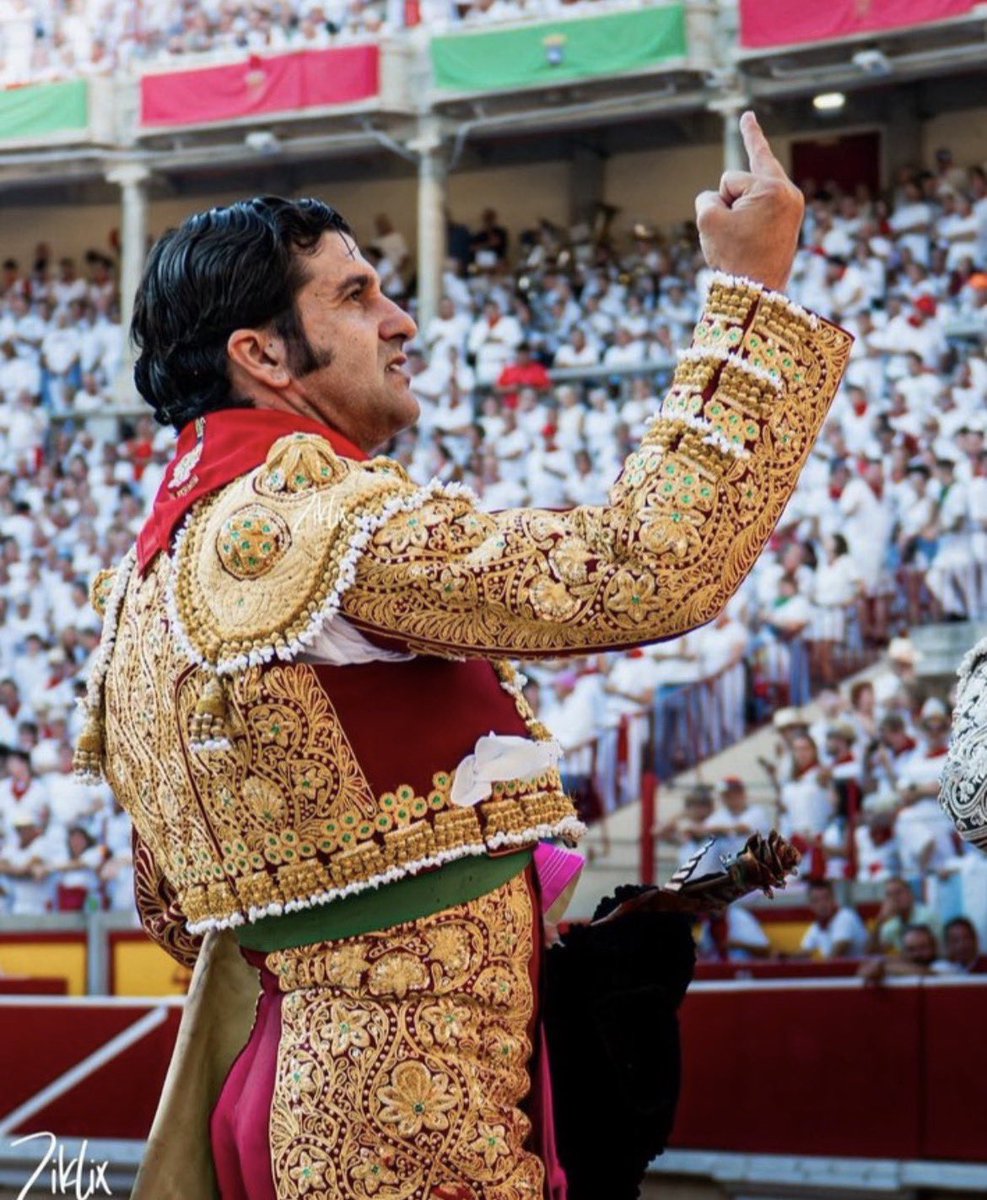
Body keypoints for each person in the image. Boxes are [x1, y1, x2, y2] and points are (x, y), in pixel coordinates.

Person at [77, 115, 847, 1199]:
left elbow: (180, 910)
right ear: (258, 355)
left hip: (287, 1089)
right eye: (354, 297)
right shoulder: (308, 523)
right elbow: (643, 569)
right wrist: (751, 298)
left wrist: (497, 923)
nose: (400, 320)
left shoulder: (145, 582)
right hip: (410, 1106)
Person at [798, 879, 868, 959]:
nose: (822, 904)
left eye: (826, 898)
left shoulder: (845, 917)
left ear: (834, 898)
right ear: (810, 905)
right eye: (816, 900)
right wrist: (784, 958)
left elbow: (836, 955)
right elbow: (803, 953)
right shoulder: (818, 926)